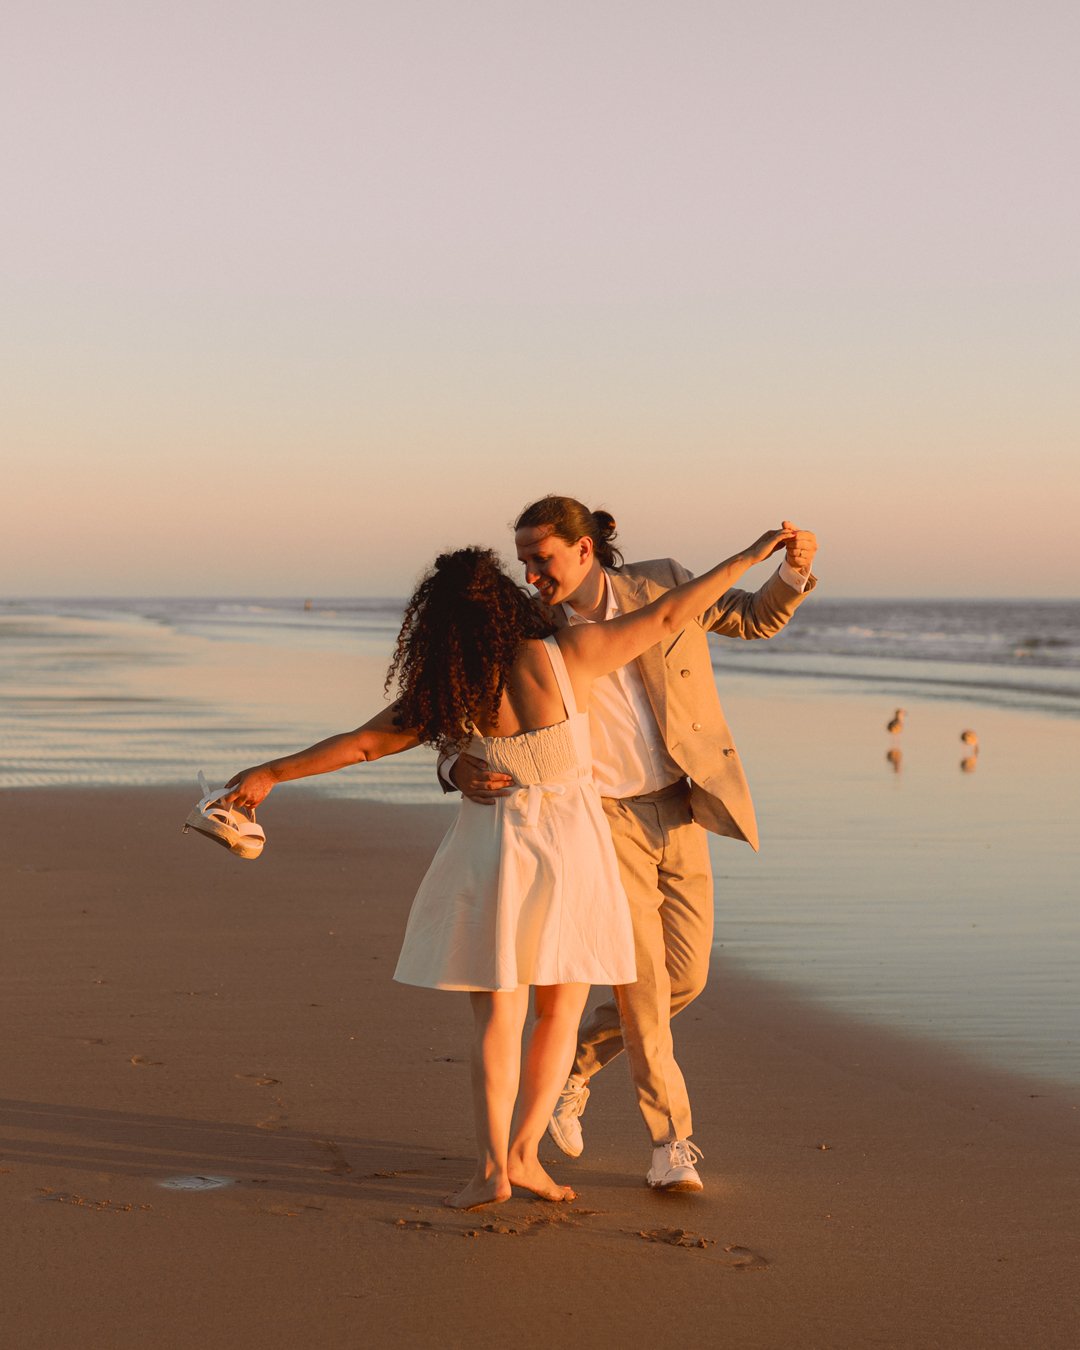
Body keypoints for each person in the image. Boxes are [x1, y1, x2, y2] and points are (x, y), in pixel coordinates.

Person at [223, 528, 795, 1209]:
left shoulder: (452, 689)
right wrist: (745, 558)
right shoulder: (566, 655)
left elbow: (364, 745)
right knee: (559, 1015)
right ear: (502, 603)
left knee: (499, 1021)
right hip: (575, 851)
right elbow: (672, 614)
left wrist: (271, 774)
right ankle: (527, 1156)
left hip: (498, 854)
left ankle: (491, 1169)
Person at [442, 497, 817, 1193]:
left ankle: (573, 1068)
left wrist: (792, 574)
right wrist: (453, 766)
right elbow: (468, 709)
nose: (530, 575)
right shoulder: (530, 628)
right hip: (597, 818)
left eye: (541, 558)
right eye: (523, 561)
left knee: (686, 975)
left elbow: (752, 619)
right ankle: (671, 1143)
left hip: (681, 800)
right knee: (643, 987)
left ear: (584, 550)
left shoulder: (664, 583)